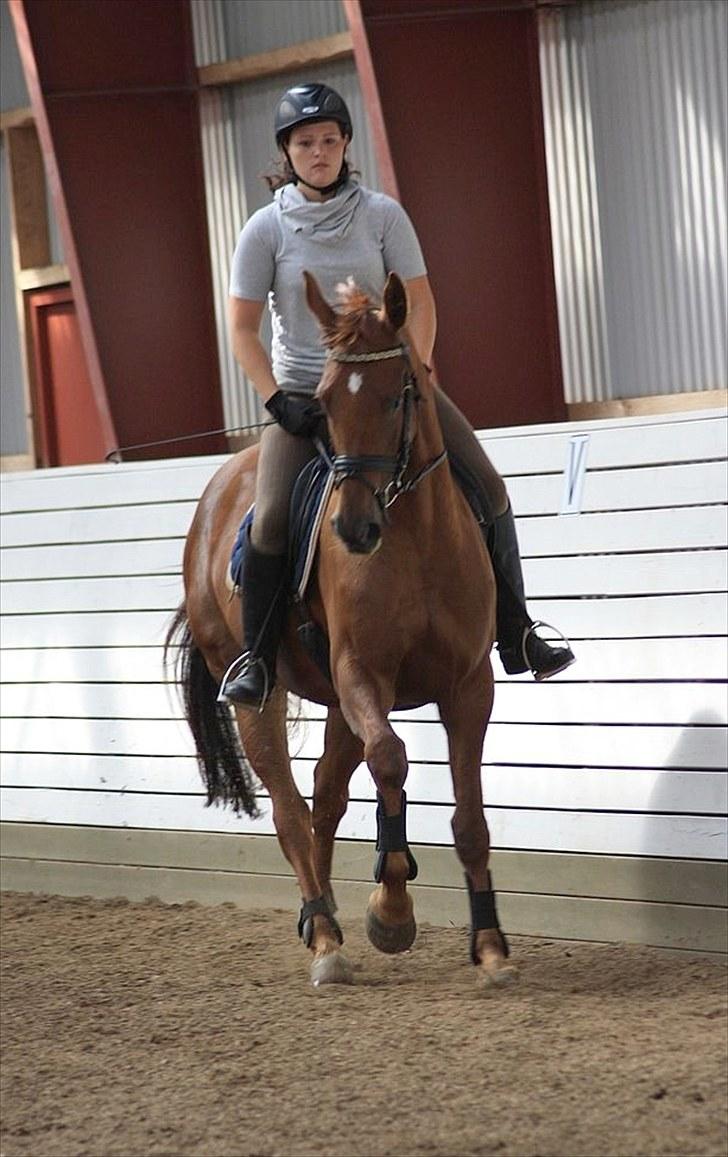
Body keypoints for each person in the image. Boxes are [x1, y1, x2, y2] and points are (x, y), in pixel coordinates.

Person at [221, 82, 574, 709]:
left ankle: (517, 632)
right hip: (308, 395)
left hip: (391, 384)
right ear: (287, 151)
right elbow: (242, 327)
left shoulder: (382, 214)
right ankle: (256, 659)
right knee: (273, 515)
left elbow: (421, 297)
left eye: (330, 140)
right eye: (306, 143)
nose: (320, 152)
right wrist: (277, 400)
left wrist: (416, 368)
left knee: (488, 485)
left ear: (346, 144)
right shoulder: (264, 231)